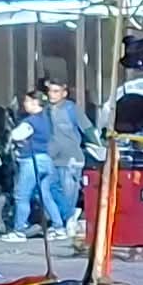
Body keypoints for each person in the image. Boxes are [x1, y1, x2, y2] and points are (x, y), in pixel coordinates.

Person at [4, 90, 66, 241]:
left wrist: (13, 133)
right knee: (45, 195)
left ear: (35, 102)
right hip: (46, 160)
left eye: (27, 101)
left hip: (31, 161)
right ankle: (58, 227)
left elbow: (16, 135)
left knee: (22, 195)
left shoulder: (30, 121)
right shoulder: (47, 119)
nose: (24, 104)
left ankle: (19, 230)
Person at [41, 79, 96, 230]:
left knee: (68, 194)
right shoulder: (45, 111)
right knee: (48, 190)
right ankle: (61, 221)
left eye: (56, 91)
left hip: (71, 159)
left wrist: (100, 146)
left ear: (64, 93)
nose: (52, 94)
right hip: (51, 159)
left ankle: (67, 222)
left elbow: (88, 129)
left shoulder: (72, 109)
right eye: (50, 91)